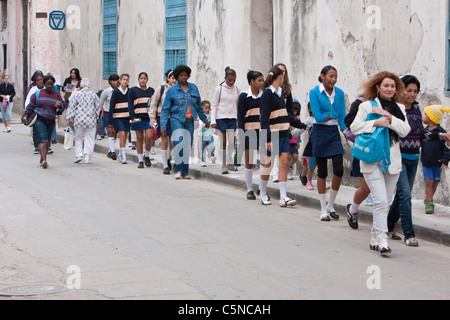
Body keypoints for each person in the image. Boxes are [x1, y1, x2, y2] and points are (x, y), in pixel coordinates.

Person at [351, 71, 411, 255]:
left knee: (385, 201)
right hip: (371, 159)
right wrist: (375, 122)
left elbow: (405, 131)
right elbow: (354, 127)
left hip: (392, 161)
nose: (389, 89)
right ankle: (382, 238)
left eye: (393, 86)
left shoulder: (399, 108)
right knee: (380, 200)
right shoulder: (367, 106)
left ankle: (375, 237)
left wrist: (389, 116)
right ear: (377, 87)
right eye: (386, 85)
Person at [259, 66, 307, 207]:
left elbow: (287, 115)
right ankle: (262, 193)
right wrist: (267, 139)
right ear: (279, 77)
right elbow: (264, 119)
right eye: (283, 76)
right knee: (268, 165)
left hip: (284, 134)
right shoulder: (267, 94)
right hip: (271, 134)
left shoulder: (283, 93)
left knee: (284, 163)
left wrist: (302, 125)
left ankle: (283, 197)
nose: (284, 78)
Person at [309, 66, 347, 222]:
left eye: (335, 77)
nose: (333, 79)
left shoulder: (340, 93)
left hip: (333, 133)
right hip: (319, 132)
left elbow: (342, 118)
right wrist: (333, 115)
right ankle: (323, 208)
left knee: (339, 169)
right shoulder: (314, 92)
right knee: (322, 171)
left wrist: (349, 135)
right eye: (331, 76)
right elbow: (317, 117)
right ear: (322, 76)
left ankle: (331, 204)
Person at [160, 65, 211, 180]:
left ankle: (184, 171)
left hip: (189, 120)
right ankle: (177, 170)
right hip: (176, 119)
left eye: (185, 75)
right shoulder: (172, 90)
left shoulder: (193, 88)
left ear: (188, 76)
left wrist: (205, 120)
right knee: (179, 143)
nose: (183, 77)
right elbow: (165, 109)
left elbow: (199, 106)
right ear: (177, 77)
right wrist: (163, 125)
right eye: (181, 75)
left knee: (188, 145)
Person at [22, 75, 64, 169]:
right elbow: (30, 106)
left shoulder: (56, 95)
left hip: (51, 120)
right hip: (39, 119)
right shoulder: (38, 93)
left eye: (51, 84)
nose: (49, 86)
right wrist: (25, 115)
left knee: (47, 141)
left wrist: (59, 105)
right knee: (42, 138)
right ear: (44, 84)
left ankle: (42, 158)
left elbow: (63, 105)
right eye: (47, 84)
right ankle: (44, 160)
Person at [237, 70, 264, 200]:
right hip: (249, 132)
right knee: (249, 161)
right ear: (252, 81)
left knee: (265, 161)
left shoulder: (264, 96)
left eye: (262, 80)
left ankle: (262, 188)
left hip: (262, 132)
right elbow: (240, 117)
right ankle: (249, 189)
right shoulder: (243, 96)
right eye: (259, 80)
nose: (261, 83)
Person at [345, 96, 371, 229]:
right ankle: (353, 210)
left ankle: (382, 229)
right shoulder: (361, 103)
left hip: (381, 151)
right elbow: (348, 121)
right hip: (364, 149)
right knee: (366, 188)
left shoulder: (388, 105)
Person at [421, 105, 450, 215]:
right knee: (428, 181)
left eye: (425, 115)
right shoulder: (423, 132)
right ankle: (429, 203)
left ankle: (428, 197)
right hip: (426, 162)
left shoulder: (442, 132)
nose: (423, 117)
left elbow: (447, 147)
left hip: (437, 162)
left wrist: (445, 160)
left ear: (431, 117)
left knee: (435, 183)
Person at [211, 67, 240, 175]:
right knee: (223, 141)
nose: (231, 82)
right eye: (229, 80)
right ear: (225, 78)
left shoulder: (237, 89)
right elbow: (214, 105)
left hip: (232, 118)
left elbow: (238, 105)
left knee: (232, 141)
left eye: (233, 80)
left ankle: (229, 159)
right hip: (221, 117)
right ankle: (223, 164)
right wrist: (213, 121)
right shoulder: (219, 89)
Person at [66, 78, 101, 164]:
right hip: (91, 120)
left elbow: (71, 107)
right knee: (90, 138)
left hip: (78, 120)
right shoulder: (93, 95)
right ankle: (87, 156)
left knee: (78, 137)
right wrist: (96, 117)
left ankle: (79, 155)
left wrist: (70, 119)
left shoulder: (76, 95)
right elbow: (98, 107)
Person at [150, 69, 177, 175]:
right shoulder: (161, 89)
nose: (174, 80)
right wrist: (152, 118)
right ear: (168, 78)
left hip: (174, 118)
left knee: (172, 141)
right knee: (164, 141)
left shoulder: (178, 89)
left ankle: (169, 157)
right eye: (172, 78)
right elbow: (153, 103)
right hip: (162, 117)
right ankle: (165, 165)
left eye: (175, 78)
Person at [128, 72, 155, 169]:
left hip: (148, 118)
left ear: (147, 79)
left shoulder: (151, 90)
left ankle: (146, 155)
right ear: (138, 79)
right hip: (137, 118)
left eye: (144, 78)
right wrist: (132, 117)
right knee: (139, 139)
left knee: (149, 137)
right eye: (141, 78)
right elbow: (130, 105)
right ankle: (140, 160)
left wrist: (154, 117)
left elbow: (154, 104)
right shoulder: (133, 90)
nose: (143, 80)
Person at [109, 74, 131, 164]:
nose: (125, 81)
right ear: (120, 81)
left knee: (125, 135)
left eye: (127, 80)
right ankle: (124, 155)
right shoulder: (116, 92)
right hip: (118, 116)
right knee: (121, 133)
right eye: (124, 79)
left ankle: (120, 154)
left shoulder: (130, 91)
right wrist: (110, 119)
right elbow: (112, 105)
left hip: (127, 116)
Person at [100, 74, 120, 160]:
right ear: (110, 82)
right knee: (110, 131)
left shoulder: (120, 91)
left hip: (117, 113)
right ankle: (112, 152)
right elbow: (101, 103)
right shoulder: (106, 92)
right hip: (108, 113)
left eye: (117, 80)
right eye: (114, 80)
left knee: (115, 133)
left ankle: (110, 149)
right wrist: (98, 113)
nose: (115, 82)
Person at [25, 74, 45, 154]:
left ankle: (47, 146)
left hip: (45, 113)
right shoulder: (33, 90)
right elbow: (28, 102)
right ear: (36, 82)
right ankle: (37, 146)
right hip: (35, 113)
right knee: (36, 130)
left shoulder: (47, 89)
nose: (40, 82)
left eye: (41, 80)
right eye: (38, 80)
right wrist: (27, 113)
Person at [198, 101, 215, 167]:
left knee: (212, 146)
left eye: (209, 108)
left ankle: (210, 155)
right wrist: (207, 125)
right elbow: (201, 124)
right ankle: (203, 161)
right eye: (206, 108)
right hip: (202, 135)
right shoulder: (201, 116)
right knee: (202, 149)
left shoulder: (211, 115)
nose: (208, 109)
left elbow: (213, 122)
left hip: (209, 134)